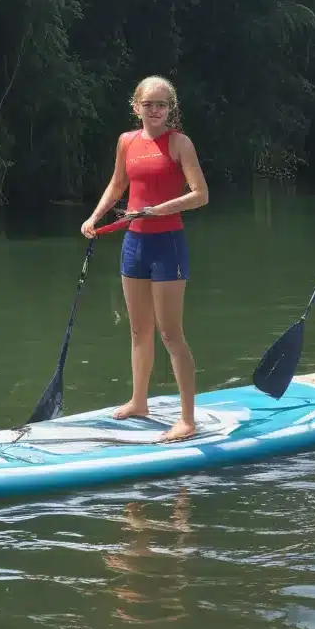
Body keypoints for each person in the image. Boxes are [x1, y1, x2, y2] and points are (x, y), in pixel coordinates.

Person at [81, 76, 208, 441]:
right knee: (139, 330)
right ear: (136, 106)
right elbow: (118, 184)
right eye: (148, 104)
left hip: (168, 243)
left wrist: (159, 210)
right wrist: (94, 217)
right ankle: (139, 401)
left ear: (171, 109)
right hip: (133, 244)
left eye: (162, 105)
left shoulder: (180, 143)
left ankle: (187, 419)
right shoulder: (126, 142)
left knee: (171, 333)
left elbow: (200, 195)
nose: (155, 110)